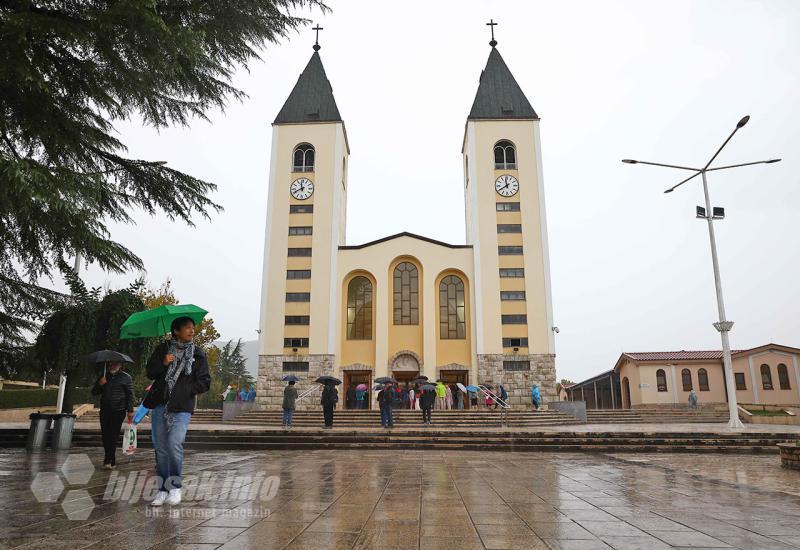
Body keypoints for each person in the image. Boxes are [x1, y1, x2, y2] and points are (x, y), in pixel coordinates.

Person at [145, 316, 211, 507]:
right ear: (176, 331)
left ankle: (175, 487)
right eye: (187, 328)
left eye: (193, 328)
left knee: (174, 444)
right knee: (161, 449)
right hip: (160, 405)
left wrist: (186, 390)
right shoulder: (163, 349)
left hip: (181, 407)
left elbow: (205, 381)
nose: (192, 331)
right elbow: (150, 372)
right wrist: (163, 363)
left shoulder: (198, 354)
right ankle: (162, 490)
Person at [91, 361, 134, 469]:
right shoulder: (104, 376)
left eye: (115, 364)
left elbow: (130, 395)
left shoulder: (126, 377)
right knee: (105, 435)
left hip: (118, 410)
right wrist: (100, 384)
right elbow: (94, 392)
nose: (112, 366)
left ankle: (108, 460)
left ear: (120, 365)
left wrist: (130, 410)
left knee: (113, 435)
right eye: (110, 364)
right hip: (105, 410)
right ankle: (110, 459)